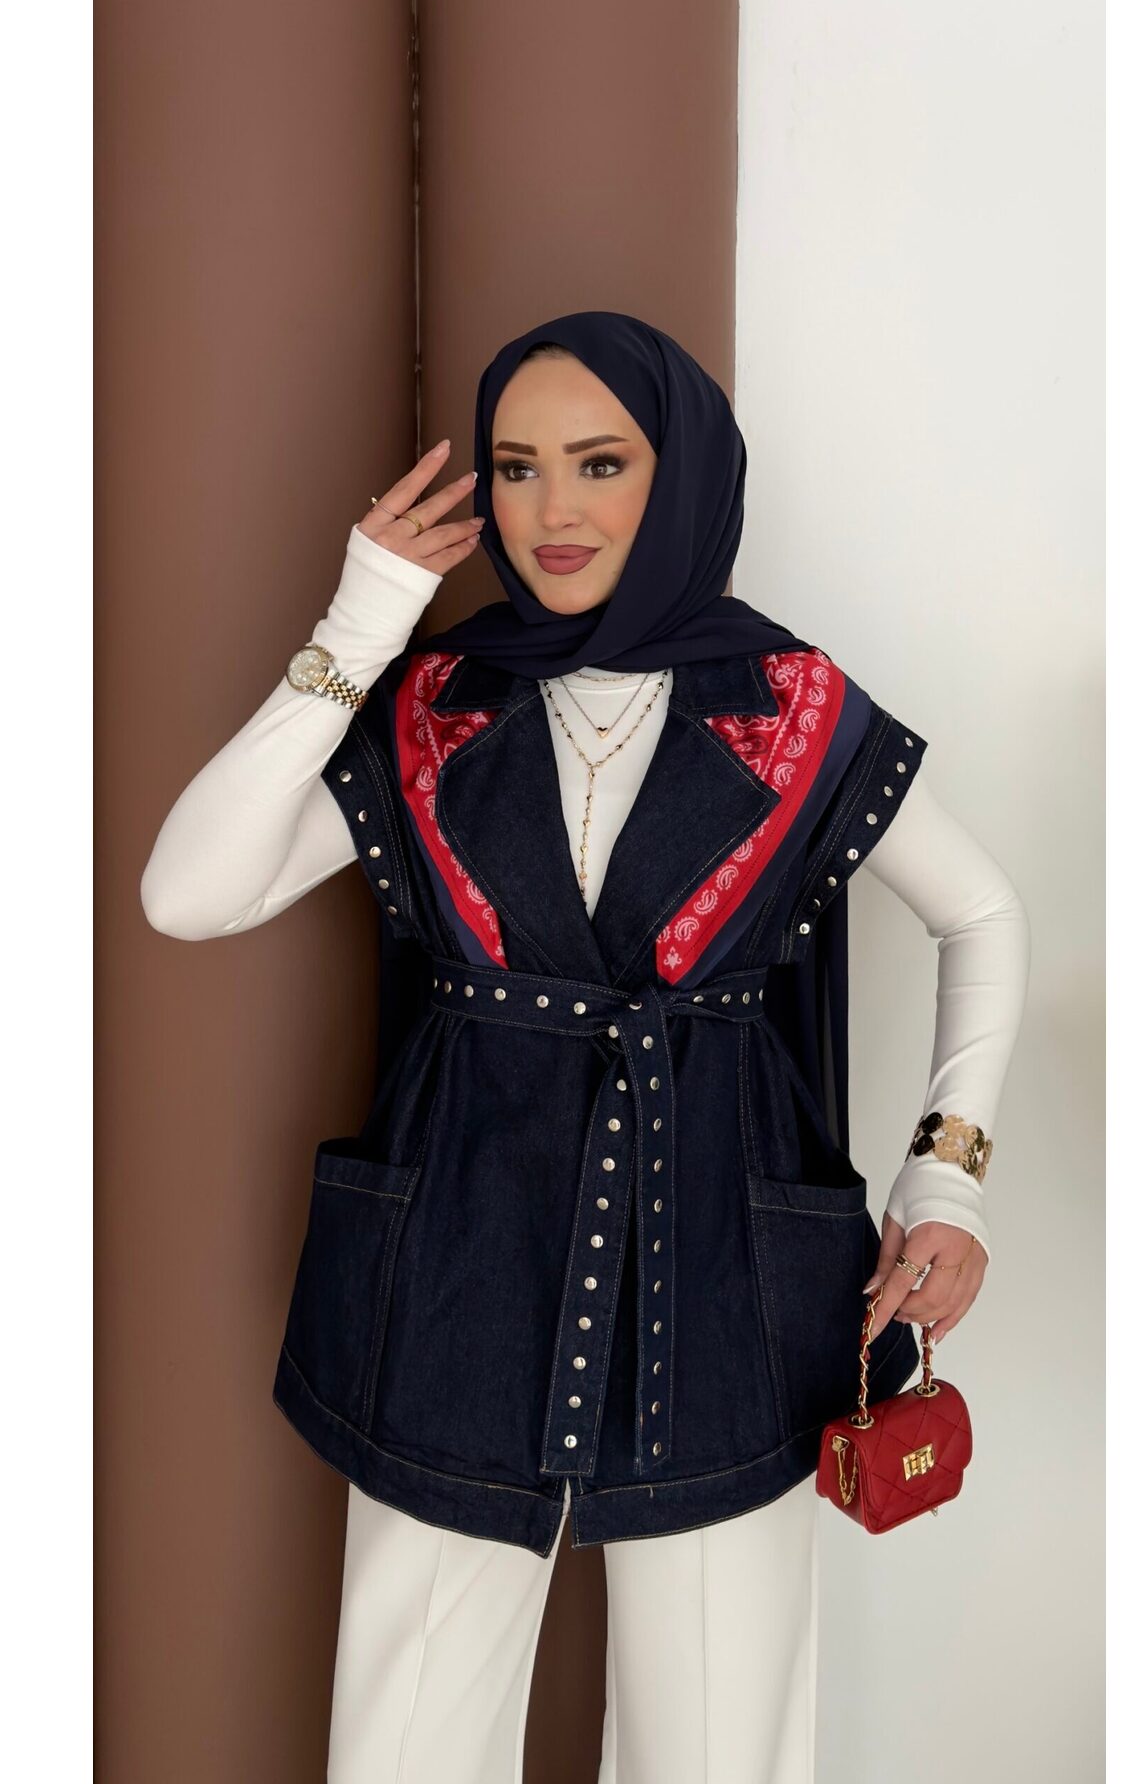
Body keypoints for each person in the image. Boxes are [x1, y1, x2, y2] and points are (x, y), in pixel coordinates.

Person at [141, 310, 1030, 1783]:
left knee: (716, 1752)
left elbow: (982, 911)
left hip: (731, 1277)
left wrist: (950, 1179)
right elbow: (187, 894)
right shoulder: (432, 700)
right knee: (406, 1750)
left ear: (681, 476)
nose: (551, 510)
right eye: (517, 467)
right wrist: (363, 622)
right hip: (456, 1272)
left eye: (601, 463)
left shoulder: (796, 706)